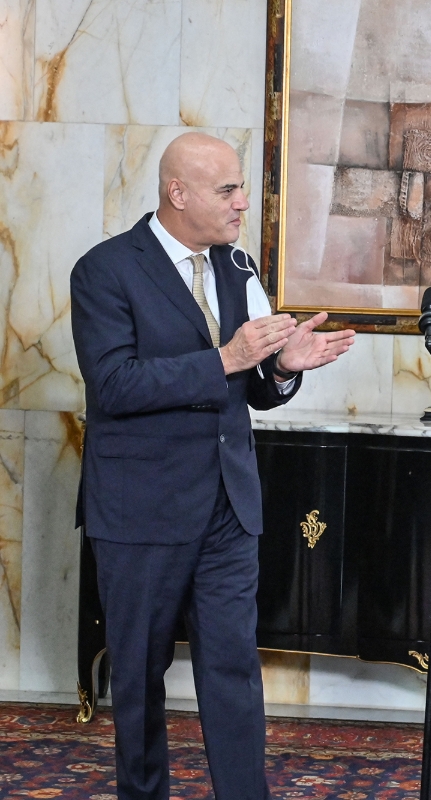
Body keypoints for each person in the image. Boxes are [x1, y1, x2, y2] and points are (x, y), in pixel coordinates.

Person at [70, 132, 355, 800]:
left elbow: (252, 387)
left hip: (229, 510)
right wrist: (224, 358)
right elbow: (114, 385)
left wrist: (281, 368)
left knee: (233, 670)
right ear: (179, 193)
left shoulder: (236, 267)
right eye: (227, 189)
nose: (241, 203)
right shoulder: (104, 271)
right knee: (137, 677)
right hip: (141, 511)